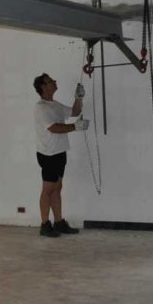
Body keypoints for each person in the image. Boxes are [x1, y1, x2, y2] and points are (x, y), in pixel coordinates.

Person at [32, 73, 87, 238]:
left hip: (60, 152)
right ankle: (44, 225)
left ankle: (58, 222)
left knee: (57, 188)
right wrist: (75, 127)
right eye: (50, 81)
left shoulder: (55, 105)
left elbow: (75, 111)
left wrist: (78, 97)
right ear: (43, 87)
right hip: (48, 154)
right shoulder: (41, 107)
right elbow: (53, 128)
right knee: (48, 190)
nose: (55, 82)